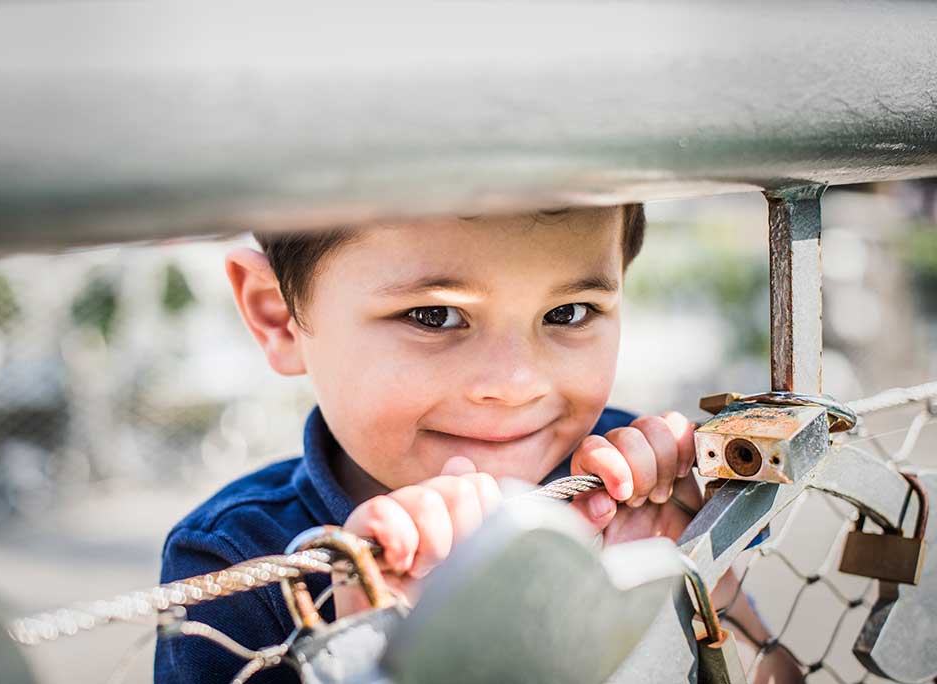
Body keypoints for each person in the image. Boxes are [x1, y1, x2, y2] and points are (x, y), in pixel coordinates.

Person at [154, 206, 800, 683]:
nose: (515, 385)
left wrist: (701, 585)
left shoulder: (644, 481)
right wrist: (373, 655)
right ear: (278, 313)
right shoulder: (236, 566)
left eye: (568, 313)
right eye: (435, 316)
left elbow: (785, 670)